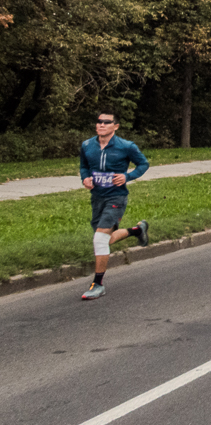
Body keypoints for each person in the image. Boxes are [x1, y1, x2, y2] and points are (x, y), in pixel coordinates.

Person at [78, 111, 150, 300]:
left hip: (116, 198)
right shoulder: (87, 145)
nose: (101, 125)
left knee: (99, 240)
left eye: (106, 122)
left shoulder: (126, 146)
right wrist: (85, 177)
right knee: (105, 240)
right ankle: (137, 231)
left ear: (115, 126)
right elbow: (84, 166)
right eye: (99, 122)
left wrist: (127, 176)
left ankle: (97, 284)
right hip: (97, 197)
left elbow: (143, 164)